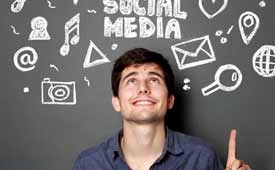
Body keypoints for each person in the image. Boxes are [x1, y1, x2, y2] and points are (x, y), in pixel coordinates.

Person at [73, 48, 251, 170]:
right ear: (116, 101)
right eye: (131, 80)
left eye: (154, 80)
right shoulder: (89, 164)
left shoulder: (202, 158)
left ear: (170, 100)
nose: (143, 88)